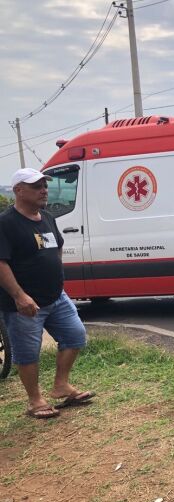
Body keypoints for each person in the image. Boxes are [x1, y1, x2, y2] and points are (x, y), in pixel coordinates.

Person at [0, 168, 93, 419]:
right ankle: (35, 401)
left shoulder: (47, 218)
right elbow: (1, 263)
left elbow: (57, 248)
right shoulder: (6, 223)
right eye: (37, 186)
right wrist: (19, 295)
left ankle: (61, 385)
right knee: (28, 353)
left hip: (56, 297)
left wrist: (57, 280)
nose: (44, 190)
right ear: (19, 190)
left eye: (44, 185)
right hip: (24, 303)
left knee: (75, 336)